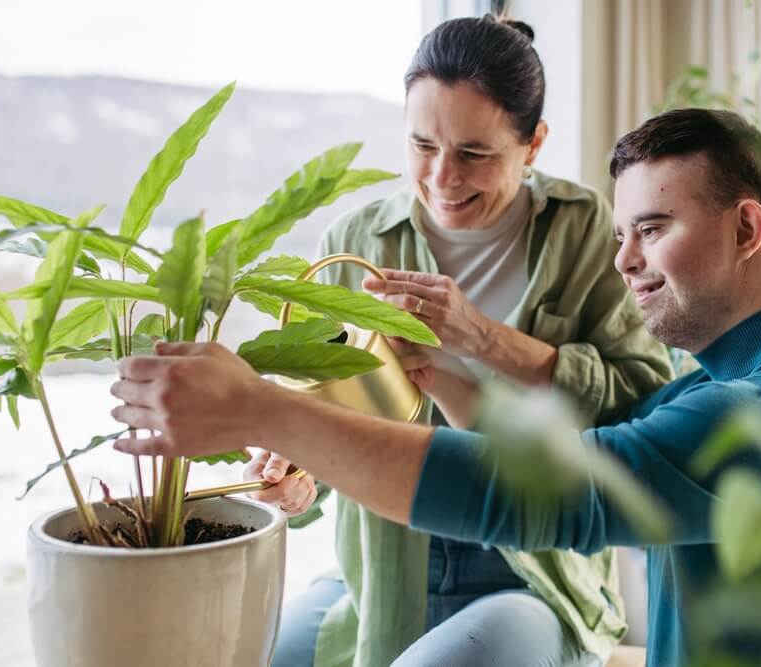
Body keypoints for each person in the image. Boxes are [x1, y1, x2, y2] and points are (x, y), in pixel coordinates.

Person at [110, 108, 761, 666]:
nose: (624, 261)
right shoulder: (748, 386)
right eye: (623, 234)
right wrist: (441, 375)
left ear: (747, 229)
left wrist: (262, 407)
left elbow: (540, 494)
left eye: (652, 229)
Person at [243, 14, 672, 667]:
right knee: (246, 650)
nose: (443, 178)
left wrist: (483, 337)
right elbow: (322, 425)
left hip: (529, 568)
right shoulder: (356, 243)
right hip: (384, 564)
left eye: (474, 153)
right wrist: (296, 478)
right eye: (422, 145)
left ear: (533, 145)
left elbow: (646, 406)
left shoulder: (587, 232)